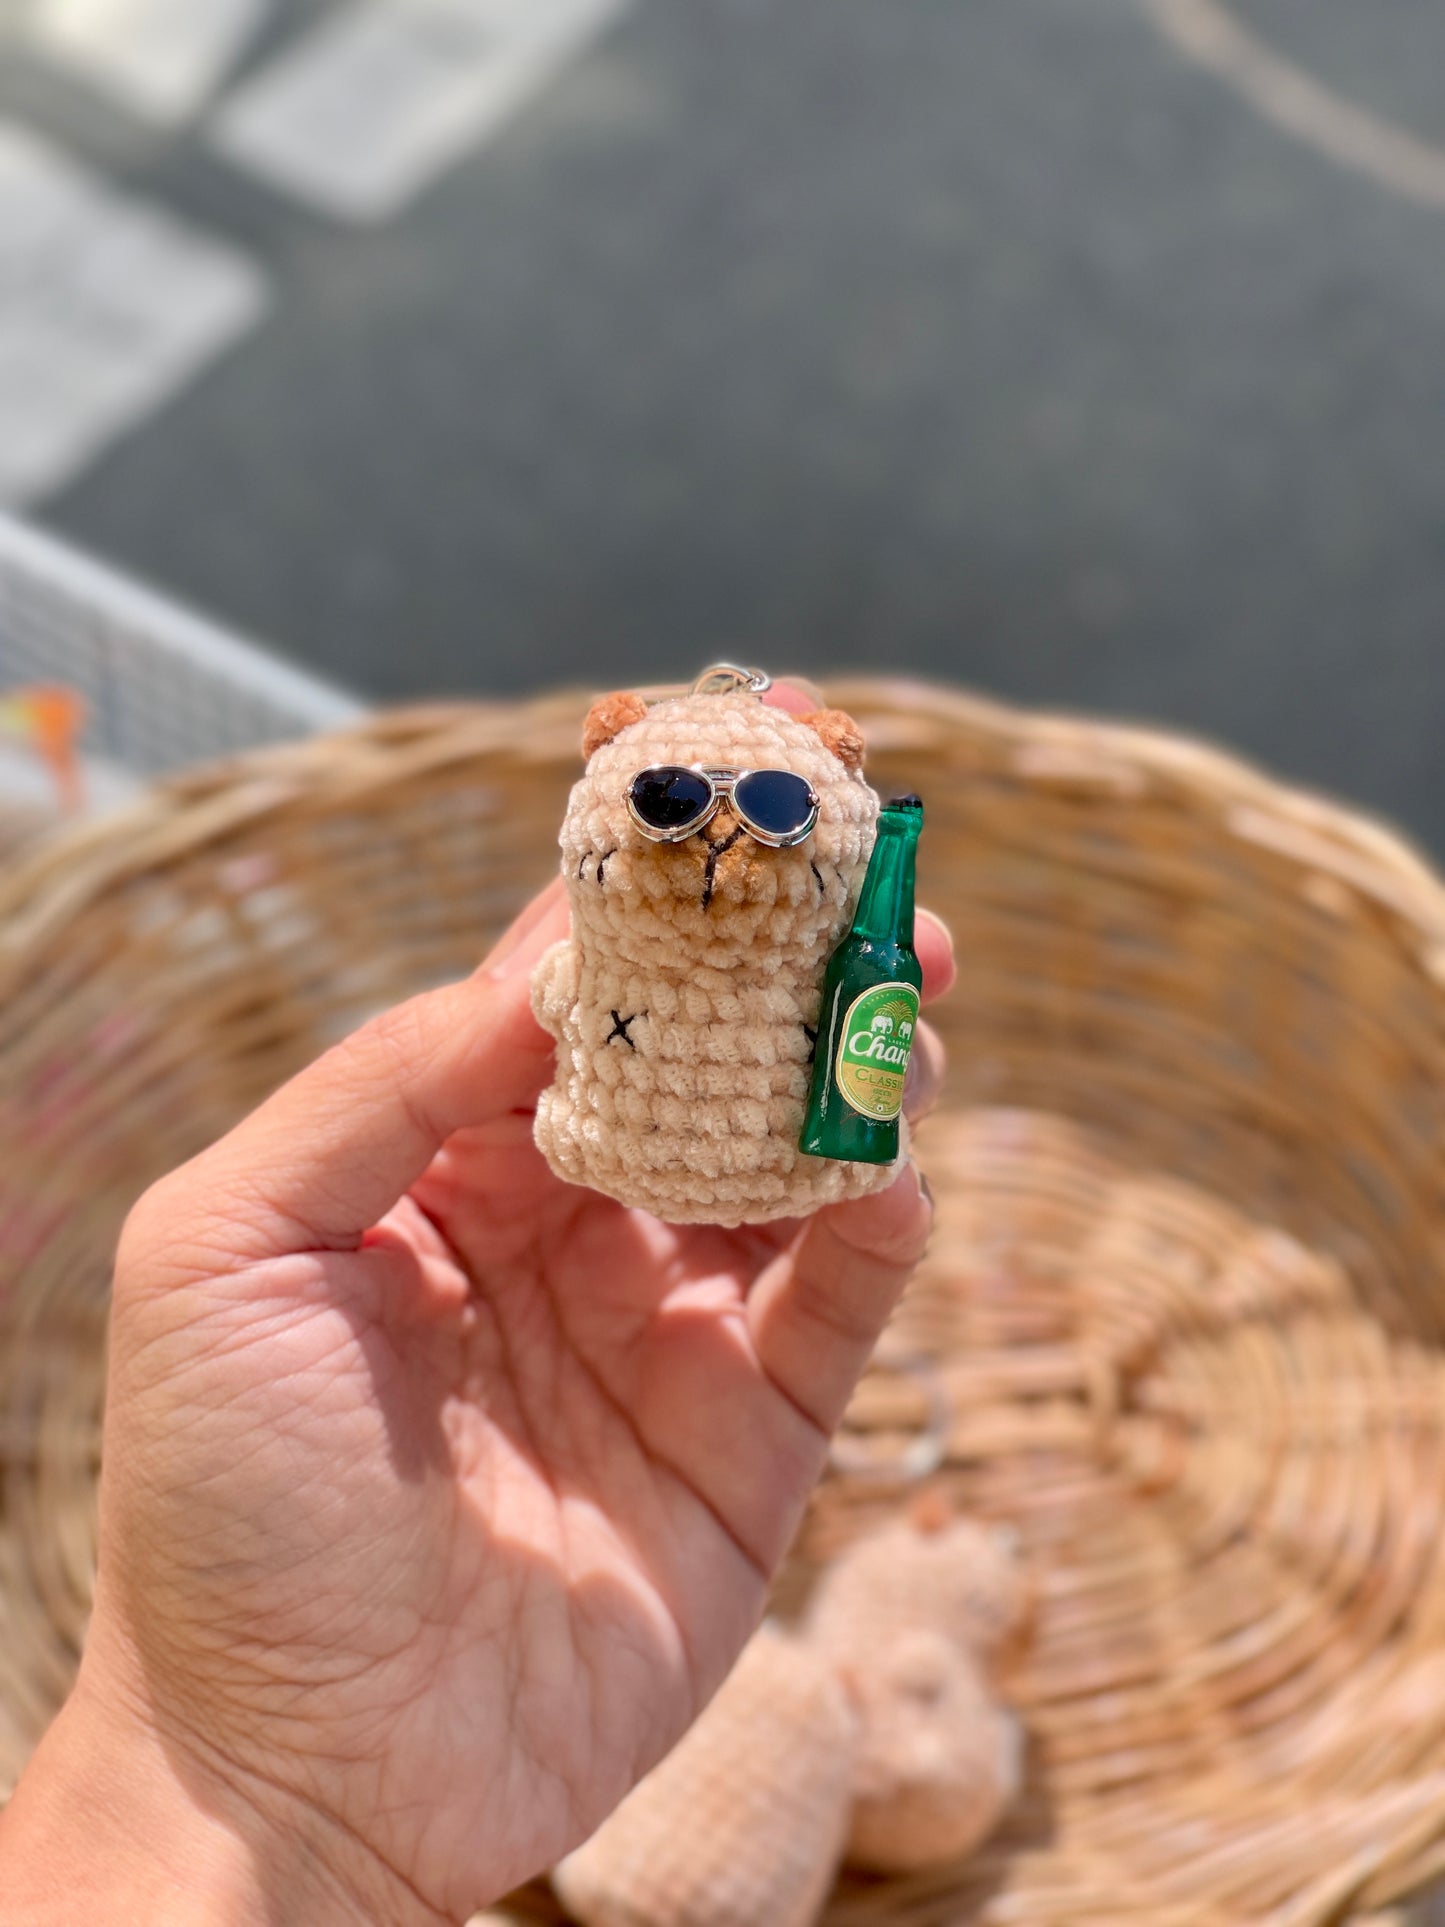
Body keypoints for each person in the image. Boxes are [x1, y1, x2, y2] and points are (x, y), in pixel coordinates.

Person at [0, 687, 952, 1925]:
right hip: (602, 1128)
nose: (720, 829)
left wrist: (280, 1804)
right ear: (612, 775)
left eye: (774, 807)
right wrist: (258, 1762)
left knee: (883, 1094)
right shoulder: (576, 963)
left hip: (761, 1157)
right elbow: (545, 1000)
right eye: (668, 797)